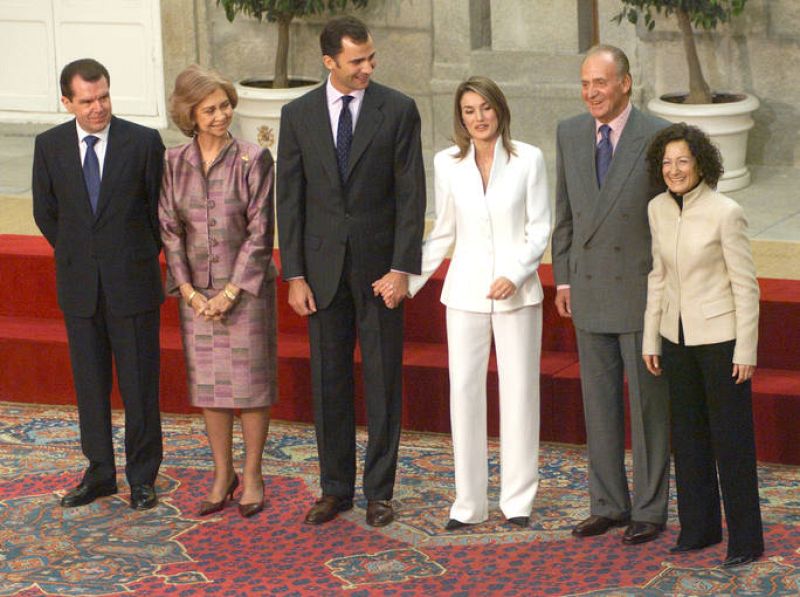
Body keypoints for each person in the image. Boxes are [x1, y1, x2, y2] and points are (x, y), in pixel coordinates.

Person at [277, 15, 426, 527]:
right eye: (357, 61)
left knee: (383, 383)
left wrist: (403, 268)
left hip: (380, 272)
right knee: (329, 381)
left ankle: (379, 492)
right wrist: (294, 274)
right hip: (321, 273)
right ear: (329, 61)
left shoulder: (398, 109)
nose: (368, 68)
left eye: (371, 58)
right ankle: (334, 488)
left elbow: (411, 195)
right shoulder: (297, 114)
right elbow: (289, 199)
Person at [406, 77, 550, 530]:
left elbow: (539, 228)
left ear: (499, 110)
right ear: (461, 117)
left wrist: (516, 273)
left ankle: (517, 500)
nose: (479, 118)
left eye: (485, 108)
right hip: (465, 294)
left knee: (519, 393)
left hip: (518, 295)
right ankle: (468, 503)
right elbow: (443, 232)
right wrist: (406, 281)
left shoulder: (529, 159)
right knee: (464, 393)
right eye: (469, 110)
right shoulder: (447, 163)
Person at [551, 45, 671, 544]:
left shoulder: (658, 135)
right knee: (598, 408)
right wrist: (562, 278)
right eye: (585, 84)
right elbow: (565, 212)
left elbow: (672, 222)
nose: (591, 93)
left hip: (640, 291)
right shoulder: (569, 132)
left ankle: (649, 508)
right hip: (588, 290)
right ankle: (607, 504)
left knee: (647, 411)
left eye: (599, 83)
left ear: (625, 83)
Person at [32, 58, 164, 510]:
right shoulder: (49, 146)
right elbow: (46, 213)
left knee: (139, 386)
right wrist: (80, 253)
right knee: (90, 386)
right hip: (80, 286)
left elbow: (158, 212)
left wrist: (129, 254)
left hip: (133, 282)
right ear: (66, 102)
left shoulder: (143, 142)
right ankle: (100, 473)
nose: (98, 107)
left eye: (104, 96)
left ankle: (142, 477)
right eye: (87, 100)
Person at [642, 123, 763, 567]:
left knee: (731, 443)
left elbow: (746, 286)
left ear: (700, 164)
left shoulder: (725, 212)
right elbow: (658, 276)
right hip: (676, 339)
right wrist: (651, 337)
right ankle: (699, 529)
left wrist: (745, 349)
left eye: (683, 161)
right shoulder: (657, 208)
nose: (674, 170)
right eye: (667, 162)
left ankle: (746, 540)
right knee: (689, 439)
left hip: (721, 342)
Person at [159, 65, 277, 519]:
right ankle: (222, 474)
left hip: (245, 292)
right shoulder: (173, 162)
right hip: (196, 296)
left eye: (225, 105)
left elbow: (261, 232)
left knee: (250, 386)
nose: (220, 115)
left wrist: (229, 293)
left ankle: (253, 475)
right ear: (189, 114)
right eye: (209, 109)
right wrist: (189, 291)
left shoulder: (253, 158)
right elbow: (170, 229)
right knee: (210, 386)